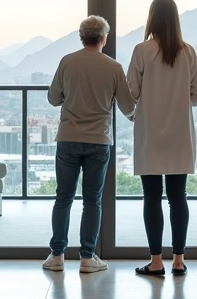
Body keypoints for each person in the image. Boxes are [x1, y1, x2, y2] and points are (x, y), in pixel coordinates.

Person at [43, 15, 135, 273]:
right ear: (104, 38)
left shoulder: (67, 62)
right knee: (92, 200)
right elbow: (129, 107)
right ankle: (87, 257)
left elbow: (53, 98)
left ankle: (57, 256)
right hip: (98, 141)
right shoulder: (114, 67)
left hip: (68, 138)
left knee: (63, 197)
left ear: (82, 37)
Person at [127, 0, 197, 277]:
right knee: (178, 197)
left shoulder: (141, 50)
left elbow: (131, 92)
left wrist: (138, 110)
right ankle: (179, 260)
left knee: (151, 196)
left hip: (150, 134)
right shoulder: (188, 52)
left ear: (152, 19)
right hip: (179, 135)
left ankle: (156, 261)